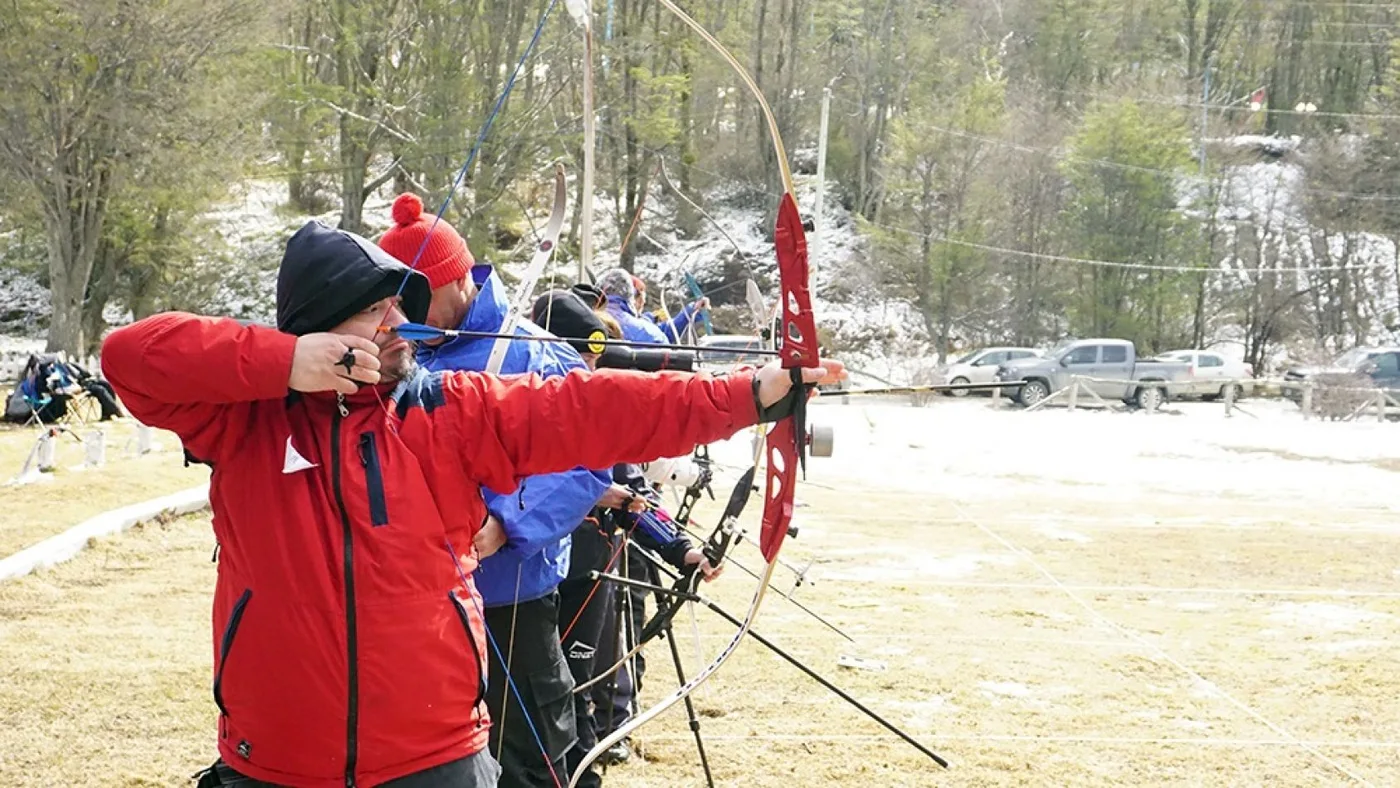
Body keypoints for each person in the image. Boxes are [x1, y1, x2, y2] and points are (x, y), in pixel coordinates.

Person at [101, 218, 841, 788]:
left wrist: (747, 394)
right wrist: (282, 363)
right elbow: (128, 356)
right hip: (278, 759)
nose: (399, 326)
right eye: (374, 311)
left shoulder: (447, 410)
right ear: (318, 329)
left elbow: (594, 411)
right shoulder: (242, 420)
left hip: (436, 757)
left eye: (401, 306)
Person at [377, 193, 630, 787]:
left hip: (510, 594)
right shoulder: (398, 350)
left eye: (414, 297)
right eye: (390, 300)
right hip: (418, 599)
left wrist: (505, 523)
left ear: (457, 279)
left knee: (529, 756)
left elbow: (586, 460)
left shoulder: (532, 349)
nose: (400, 313)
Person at [529, 290, 721, 788]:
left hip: (588, 571)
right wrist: (590, 491)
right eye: (578, 359)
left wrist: (682, 548)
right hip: (521, 581)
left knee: (580, 686)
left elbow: (635, 495)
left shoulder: (597, 407)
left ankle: (583, 776)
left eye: (592, 361)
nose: (587, 371)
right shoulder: (514, 400)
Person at [595, 269, 706, 345]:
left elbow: (666, 329)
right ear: (631, 297)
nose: (642, 303)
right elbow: (661, 339)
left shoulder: (585, 320)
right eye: (641, 298)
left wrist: (691, 310)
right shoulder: (646, 332)